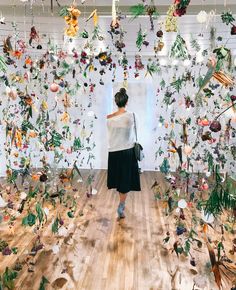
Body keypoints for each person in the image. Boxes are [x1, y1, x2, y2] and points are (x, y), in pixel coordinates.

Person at [107, 88, 141, 219]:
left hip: (114, 152)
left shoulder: (109, 118)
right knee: (125, 182)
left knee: (118, 180)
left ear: (116, 102)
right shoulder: (132, 116)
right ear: (127, 102)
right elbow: (136, 130)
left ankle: (121, 203)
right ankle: (121, 204)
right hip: (127, 152)